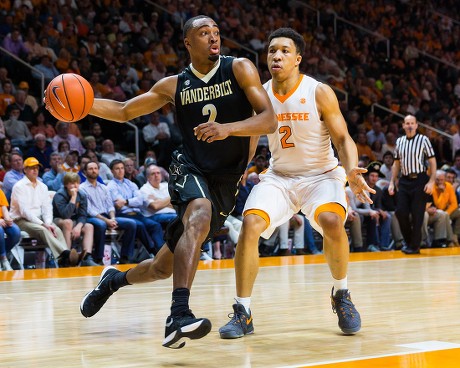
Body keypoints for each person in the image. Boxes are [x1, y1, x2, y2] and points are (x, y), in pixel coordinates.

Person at [77, 15, 276, 349]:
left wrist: (229, 131)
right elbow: (125, 110)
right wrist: (79, 107)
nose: (214, 38)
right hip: (191, 167)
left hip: (225, 180)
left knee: (161, 268)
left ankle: (112, 281)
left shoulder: (239, 67)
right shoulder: (174, 85)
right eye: (204, 33)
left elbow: (268, 119)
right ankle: (178, 316)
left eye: (217, 32)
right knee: (198, 213)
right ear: (188, 43)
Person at [217, 28, 373, 339]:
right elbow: (250, 141)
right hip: (280, 177)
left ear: (298, 58)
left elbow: (343, 138)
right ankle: (242, 311)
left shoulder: (319, 91)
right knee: (249, 226)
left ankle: (341, 294)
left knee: (331, 220)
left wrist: (352, 170)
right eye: (272, 50)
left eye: (285, 51)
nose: (276, 55)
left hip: (321, 175)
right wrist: (234, 174)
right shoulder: (259, 95)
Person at [9, 157, 77, 267]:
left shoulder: (43, 186)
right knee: (43, 230)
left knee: (57, 230)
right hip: (20, 220)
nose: (35, 170)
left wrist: (49, 223)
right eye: (31, 168)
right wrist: (43, 224)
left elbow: (47, 208)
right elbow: (24, 211)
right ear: (25, 170)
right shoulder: (19, 186)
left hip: (39, 219)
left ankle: (64, 261)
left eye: (36, 167)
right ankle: (66, 254)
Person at [388, 114, 437, 254]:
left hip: (420, 179)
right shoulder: (400, 141)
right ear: (403, 125)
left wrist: (432, 181)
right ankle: (409, 242)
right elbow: (396, 163)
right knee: (400, 212)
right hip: (404, 180)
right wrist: (392, 182)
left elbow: (432, 161)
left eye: (412, 123)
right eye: (407, 123)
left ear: (416, 125)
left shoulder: (424, 140)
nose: (409, 125)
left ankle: (414, 247)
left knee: (417, 214)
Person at [79, 161, 137, 264]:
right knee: (101, 225)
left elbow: (110, 206)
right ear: (85, 172)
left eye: (95, 168)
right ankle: (98, 258)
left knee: (131, 224)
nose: (94, 171)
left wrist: (113, 218)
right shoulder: (82, 188)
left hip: (107, 217)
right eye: (90, 169)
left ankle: (125, 257)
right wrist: (107, 220)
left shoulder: (104, 187)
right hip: (91, 218)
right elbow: (89, 210)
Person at [52, 172, 98, 266]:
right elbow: (65, 215)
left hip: (75, 221)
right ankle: (67, 257)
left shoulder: (82, 195)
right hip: (58, 219)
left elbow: (83, 215)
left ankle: (87, 258)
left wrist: (78, 227)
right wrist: (73, 198)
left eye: (77, 182)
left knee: (89, 226)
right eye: (72, 183)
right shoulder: (59, 195)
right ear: (66, 184)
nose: (75, 185)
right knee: (68, 222)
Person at [0, 188, 21, 271]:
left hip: (2, 220)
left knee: (15, 231)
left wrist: (7, 218)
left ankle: (2, 255)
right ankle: (4, 259)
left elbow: (4, 207)